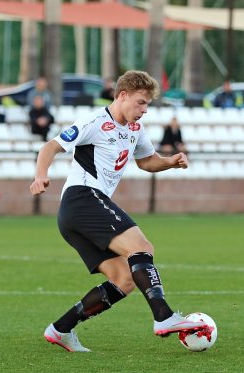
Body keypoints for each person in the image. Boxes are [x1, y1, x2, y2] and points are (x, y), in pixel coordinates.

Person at [29, 70, 208, 353]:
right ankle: (164, 317)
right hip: (83, 198)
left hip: (77, 213)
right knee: (141, 247)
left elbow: (147, 161)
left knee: (124, 280)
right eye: (140, 102)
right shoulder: (95, 121)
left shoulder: (135, 130)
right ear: (122, 95)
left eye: (147, 104)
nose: (144, 110)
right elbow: (50, 146)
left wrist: (170, 162)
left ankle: (61, 328)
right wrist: (41, 175)